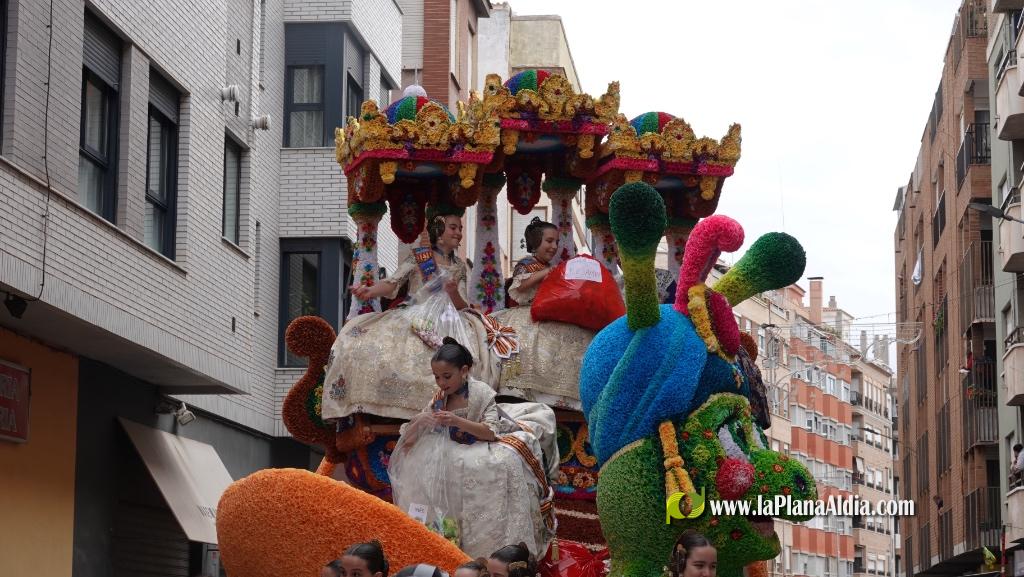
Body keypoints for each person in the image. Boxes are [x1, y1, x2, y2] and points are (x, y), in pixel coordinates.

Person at [322, 210, 510, 422]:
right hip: (414, 313)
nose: (458, 232)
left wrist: (452, 292)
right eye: (453, 227)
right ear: (439, 231)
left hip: (450, 319)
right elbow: (392, 284)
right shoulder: (418, 257)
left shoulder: (459, 266)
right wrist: (370, 291)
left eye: (460, 228)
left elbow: (462, 304)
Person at [388, 338, 557, 559]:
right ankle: (440, 535)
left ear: (464, 371)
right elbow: (411, 437)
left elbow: (490, 431)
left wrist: (457, 421)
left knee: (502, 463)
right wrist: (423, 421)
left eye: (447, 376)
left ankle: (488, 545)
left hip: (481, 442)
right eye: (437, 377)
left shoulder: (481, 393)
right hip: (451, 446)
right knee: (427, 463)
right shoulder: (440, 397)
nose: (441, 382)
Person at [506, 218, 559, 307]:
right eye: (549, 241)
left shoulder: (550, 266)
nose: (555, 246)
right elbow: (520, 286)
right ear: (535, 242)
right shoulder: (525, 263)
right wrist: (547, 271)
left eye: (557, 242)